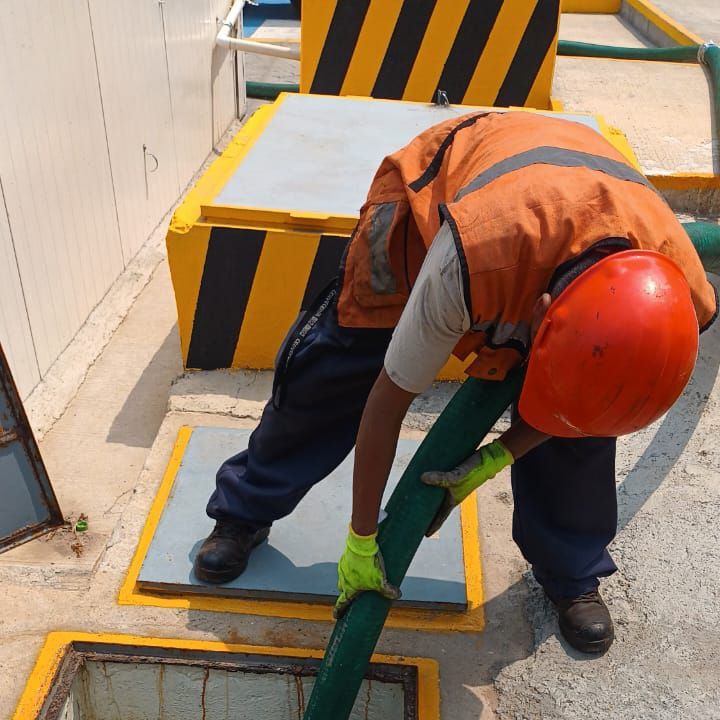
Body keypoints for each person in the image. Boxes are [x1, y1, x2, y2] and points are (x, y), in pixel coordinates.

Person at [194, 110, 715, 654]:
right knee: (336, 367)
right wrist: (362, 539)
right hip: (436, 198)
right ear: (541, 312)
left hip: (566, 201)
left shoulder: (680, 299)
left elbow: (586, 410)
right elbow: (387, 401)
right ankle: (243, 512)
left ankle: (571, 572)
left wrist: (494, 458)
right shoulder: (467, 259)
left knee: (591, 409)